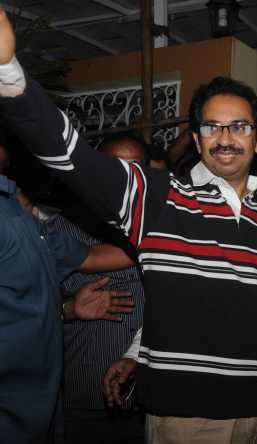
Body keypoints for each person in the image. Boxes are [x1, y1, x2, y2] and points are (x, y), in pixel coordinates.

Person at [0, 9, 257, 444]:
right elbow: (71, 156)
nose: (225, 137)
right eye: (212, 127)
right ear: (197, 139)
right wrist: (10, 75)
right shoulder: (157, 197)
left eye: (239, 126)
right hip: (185, 417)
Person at [56, 133, 147, 444]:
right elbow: (21, 311)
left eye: (134, 169)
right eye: (112, 167)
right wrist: (69, 309)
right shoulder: (60, 230)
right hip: (83, 403)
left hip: (152, 404)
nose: (123, 179)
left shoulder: (166, 230)